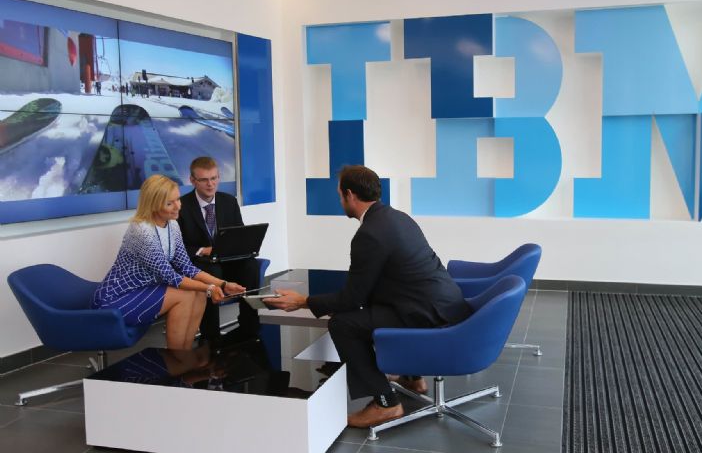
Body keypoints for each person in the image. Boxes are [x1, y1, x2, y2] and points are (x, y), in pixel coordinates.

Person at [265, 165, 472, 428]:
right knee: (371, 311)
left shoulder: (369, 234)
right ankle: (413, 378)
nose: (340, 200)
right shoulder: (397, 217)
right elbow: (380, 285)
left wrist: (302, 301)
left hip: (426, 313)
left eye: (339, 194)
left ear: (350, 195)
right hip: (444, 304)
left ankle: (386, 403)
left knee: (343, 324)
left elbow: (352, 299)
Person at [91, 174, 245, 350]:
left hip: (147, 290)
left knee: (198, 293)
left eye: (178, 199)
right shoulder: (141, 231)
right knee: (185, 295)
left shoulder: (172, 225)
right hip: (117, 298)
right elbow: (170, 275)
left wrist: (223, 284)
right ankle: (176, 359)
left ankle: (184, 355)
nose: (178, 206)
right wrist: (210, 288)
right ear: (153, 205)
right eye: (169, 203)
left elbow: (186, 266)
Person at [177, 156, 261, 344]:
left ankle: (249, 324)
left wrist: (243, 247)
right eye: (204, 180)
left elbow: (239, 234)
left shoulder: (229, 201)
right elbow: (177, 247)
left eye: (214, 178)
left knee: (250, 266)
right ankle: (210, 335)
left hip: (228, 260)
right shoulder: (181, 206)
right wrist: (201, 250)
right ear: (192, 181)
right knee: (212, 271)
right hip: (200, 264)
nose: (210, 184)